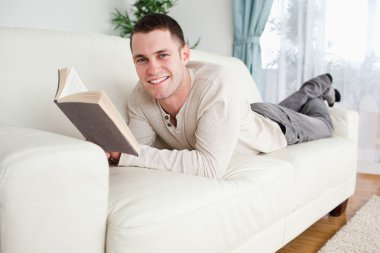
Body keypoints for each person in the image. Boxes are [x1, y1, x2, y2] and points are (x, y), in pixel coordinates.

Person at [107, 13, 340, 178]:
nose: (153, 69)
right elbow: (134, 150)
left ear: (185, 54)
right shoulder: (139, 96)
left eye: (163, 55)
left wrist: (125, 155)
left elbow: (209, 167)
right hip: (247, 114)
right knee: (283, 106)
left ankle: (320, 88)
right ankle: (313, 91)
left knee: (323, 125)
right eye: (142, 59)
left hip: (277, 126)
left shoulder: (216, 82)